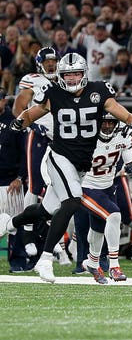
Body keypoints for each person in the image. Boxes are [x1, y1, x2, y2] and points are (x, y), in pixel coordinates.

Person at [0, 52, 132, 283]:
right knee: (73, 201)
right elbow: (31, 113)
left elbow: (125, 114)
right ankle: (45, 259)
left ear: (84, 74)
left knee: (47, 211)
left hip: (81, 165)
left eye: (76, 74)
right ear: (61, 75)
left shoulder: (99, 91)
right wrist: (18, 124)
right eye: (68, 74)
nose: (73, 79)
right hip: (60, 156)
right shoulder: (54, 93)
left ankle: (9, 222)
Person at [78, 113, 132, 284]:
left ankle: (92, 262)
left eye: (110, 122)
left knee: (98, 228)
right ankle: (114, 265)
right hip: (86, 186)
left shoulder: (122, 136)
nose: (106, 126)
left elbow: (131, 161)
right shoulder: (86, 137)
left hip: (108, 186)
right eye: (103, 122)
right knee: (114, 215)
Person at [11, 47, 58, 257]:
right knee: (35, 183)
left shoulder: (66, 79)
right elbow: (18, 107)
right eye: (47, 61)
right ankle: (27, 233)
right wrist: (30, 125)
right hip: (39, 136)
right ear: (39, 63)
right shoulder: (33, 79)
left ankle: (50, 231)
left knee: (57, 185)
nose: (51, 64)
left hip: (61, 140)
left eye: (54, 60)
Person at [0, 88, 29, 272]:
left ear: (4, 101)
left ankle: (18, 261)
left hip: (11, 182)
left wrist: (20, 177)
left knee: (16, 224)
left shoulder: (14, 121)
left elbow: (26, 152)